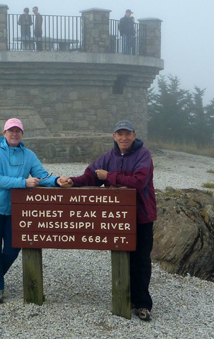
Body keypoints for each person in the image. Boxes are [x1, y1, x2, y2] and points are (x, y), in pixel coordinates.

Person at [58, 120, 156, 321]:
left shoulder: (143, 154)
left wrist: (109, 176)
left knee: (141, 261)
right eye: (120, 134)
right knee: (124, 258)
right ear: (114, 136)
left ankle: (143, 304)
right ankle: (127, 298)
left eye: (127, 134)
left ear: (134, 135)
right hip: (118, 218)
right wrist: (73, 182)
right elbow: (90, 176)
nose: (124, 138)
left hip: (142, 217)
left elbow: (138, 182)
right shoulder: (108, 157)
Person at [0, 118, 68, 303]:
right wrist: (23, 182)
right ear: (4, 133)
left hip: (15, 210)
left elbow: (41, 176)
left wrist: (56, 180)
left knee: (13, 248)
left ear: (22, 134)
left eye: (17, 131)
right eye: (11, 131)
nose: (14, 134)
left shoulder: (29, 155)